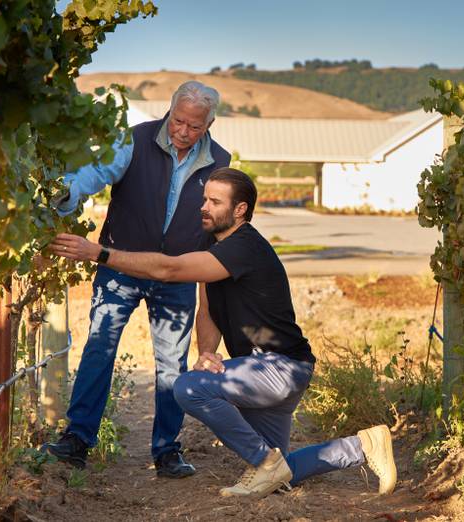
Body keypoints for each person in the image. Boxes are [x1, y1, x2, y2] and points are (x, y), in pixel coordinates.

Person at [50, 167, 398, 497]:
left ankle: (264, 461)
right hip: (264, 369)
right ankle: (363, 445)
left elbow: (169, 270)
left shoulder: (244, 246)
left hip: (279, 368)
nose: (204, 207)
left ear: (240, 209)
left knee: (185, 387)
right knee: (280, 473)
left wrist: (100, 253)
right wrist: (206, 352)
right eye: (204, 199)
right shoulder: (213, 247)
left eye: (215, 202)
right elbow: (208, 310)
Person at [43, 81, 231, 478]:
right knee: (99, 349)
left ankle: (167, 451)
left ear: (209, 123)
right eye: (178, 121)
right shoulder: (135, 139)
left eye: (194, 126)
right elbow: (95, 173)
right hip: (119, 267)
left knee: (172, 365)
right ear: (170, 111)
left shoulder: (220, 160)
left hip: (177, 276)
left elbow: (219, 220)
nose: (183, 131)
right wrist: (65, 192)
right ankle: (77, 439)